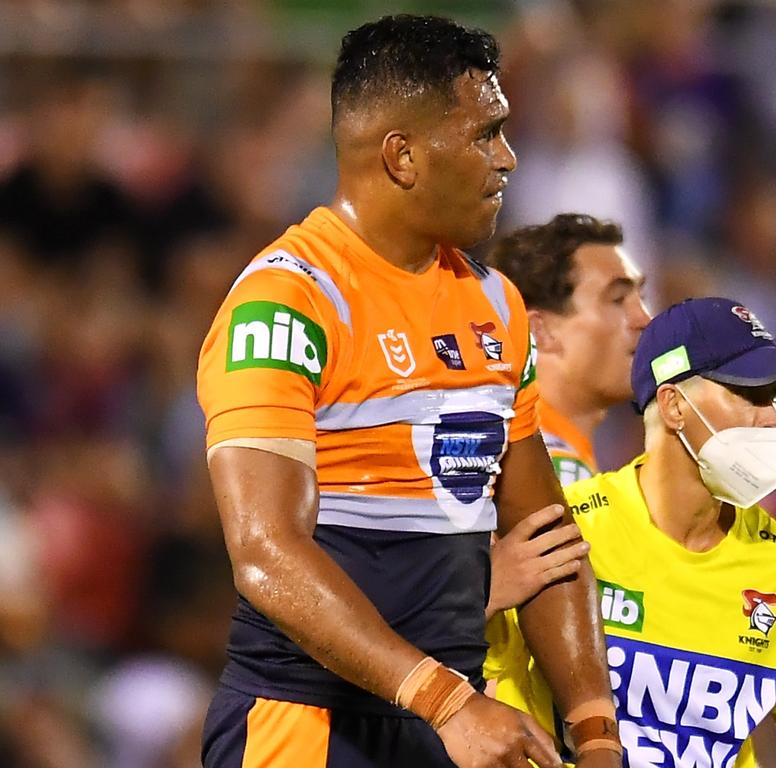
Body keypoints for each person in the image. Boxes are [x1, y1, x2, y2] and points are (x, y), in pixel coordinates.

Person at [195, 15, 620, 768]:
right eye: (486, 133)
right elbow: (265, 552)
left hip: (443, 722)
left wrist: (596, 737)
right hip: (307, 723)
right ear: (402, 156)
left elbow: (551, 543)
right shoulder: (290, 300)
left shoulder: (496, 305)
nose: (508, 158)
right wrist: (446, 701)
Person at [486, 297, 776, 767]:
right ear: (673, 405)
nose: (772, 419)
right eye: (749, 394)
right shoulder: (572, 527)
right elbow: (478, 675)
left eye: (774, 398)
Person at [482, 213, 650, 619]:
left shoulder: (562, 463)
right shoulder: (509, 468)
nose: (644, 318)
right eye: (617, 299)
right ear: (540, 330)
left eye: (641, 297)